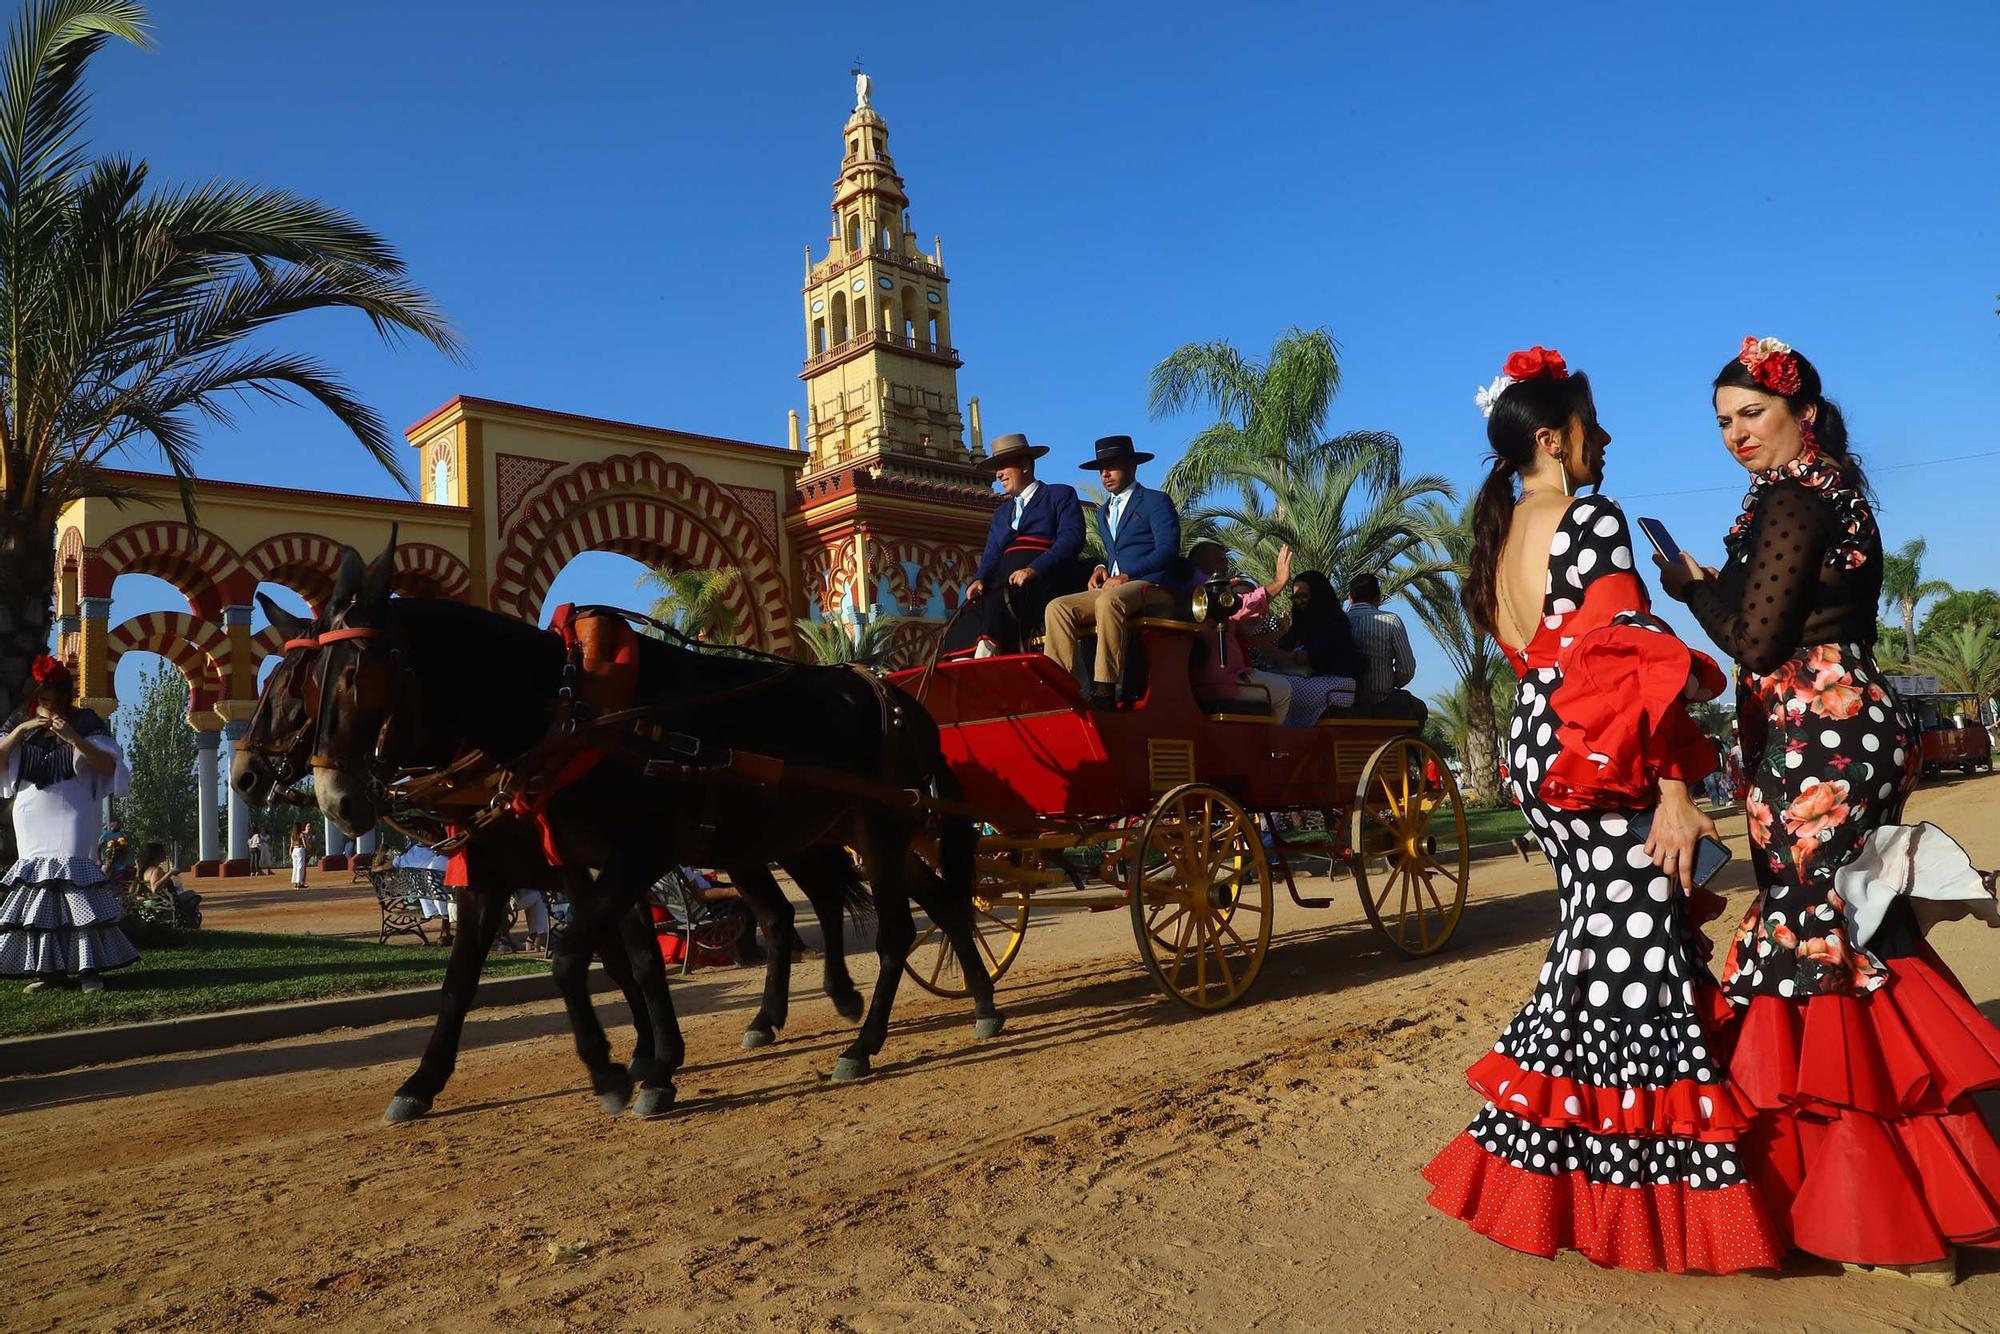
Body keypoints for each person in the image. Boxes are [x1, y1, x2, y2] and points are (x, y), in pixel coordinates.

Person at [1422, 347, 1783, 1273]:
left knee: (1600, 945)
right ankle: (1655, 1210)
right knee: (1639, 957)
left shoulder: (1502, 531)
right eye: (1593, 426)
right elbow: (1628, 656)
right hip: (1600, 753)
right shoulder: (1587, 515)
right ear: (1553, 438)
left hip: (1543, 756)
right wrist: (1674, 790)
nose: (1607, 439)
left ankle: (1550, 1182)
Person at [1660, 336, 2000, 1268]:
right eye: (1723, 422)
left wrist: (1691, 588)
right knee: (1854, 924)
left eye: (1750, 415)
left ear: (1800, 413)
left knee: (1824, 932)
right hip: (1842, 721)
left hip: (1818, 730)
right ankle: (1911, 1176)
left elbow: (1758, 640)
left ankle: (1887, 1201)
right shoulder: (1827, 490)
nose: (1734, 435)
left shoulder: (1796, 496)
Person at [0, 656, 138, 992]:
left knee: (76, 881)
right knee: (40, 887)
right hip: (31, 808)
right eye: (43, 699)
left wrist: (75, 737)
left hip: (73, 805)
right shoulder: (20, 719)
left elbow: (107, 767)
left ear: (66, 694)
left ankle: (90, 969)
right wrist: (21, 731)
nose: (49, 705)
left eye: (55, 698)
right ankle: (49, 971)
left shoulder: (86, 720)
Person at [1043, 435, 1182, 708]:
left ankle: (1105, 688)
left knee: (1109, 601)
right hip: (1117, 586)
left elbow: (1168, 551)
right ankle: (1060, 687)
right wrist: (1100, 568)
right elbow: (1114, 554)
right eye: (1101, 468)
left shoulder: (1156, 501)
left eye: (1112, 466)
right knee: (1057, 607)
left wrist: (1127, 574)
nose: (1105, 474)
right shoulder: (1103, 511)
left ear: (1132, 466)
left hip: (1153, 587)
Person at [946, 432, 1087, 656]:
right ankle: (957, 661)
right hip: (1004, 578)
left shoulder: (1058, 495)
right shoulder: (1001, 513)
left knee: (1001, 600)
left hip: (1044, 578)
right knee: (969, 609)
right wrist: (979, 578)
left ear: (1024, 465)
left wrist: (1035, 568)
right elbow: (992, 553)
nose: (998, 474)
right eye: (996, 468)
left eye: (1003, 466)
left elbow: (1072, 539)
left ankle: (986, 654)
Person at [1186, 542, 1297, 721]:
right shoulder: (1208, 595)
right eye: (1221, 560)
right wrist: (1280, 581)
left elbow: (1243, 639)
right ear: (1203, 562)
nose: (1226, 565)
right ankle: (1273, 743)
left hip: (1202, 682)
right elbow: (1244, 604)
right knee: (1284, 689)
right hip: (1223, 682)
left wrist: (1278, 633)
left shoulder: (1190, 592)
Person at [1250, 570, 1360, 725]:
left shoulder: (1336, 622)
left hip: (1335, 685)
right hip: (1308, 679)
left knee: (1272, 689)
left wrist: (1281, 656)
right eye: (1295, 597)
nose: (1299, 601)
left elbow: (1319, 656)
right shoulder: (1300, 625)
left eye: (1303, 596)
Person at [132, 842, 202, 929]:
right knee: (193, 895)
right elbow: (155, 888)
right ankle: (191, 923)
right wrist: (170, 873)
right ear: (156, 855)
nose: (166, 854)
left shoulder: (145, 870)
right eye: (163, 852)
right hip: (166, 902)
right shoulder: (156, 870)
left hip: (158, 901)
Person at [97, 815, 133, 887]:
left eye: (118, 824)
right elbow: (99, 847)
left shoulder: (120, 835)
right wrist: (99, 859)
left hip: (118, 860)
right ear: (111, 824)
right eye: (116, 824)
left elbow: (124, 847)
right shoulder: (106, 835)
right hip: (108, 858)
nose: (117, 826)